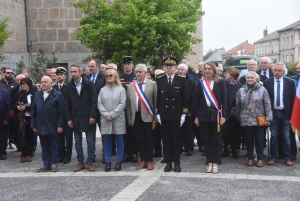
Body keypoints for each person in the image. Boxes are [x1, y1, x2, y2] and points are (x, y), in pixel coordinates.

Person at [156, 56, 188, 172]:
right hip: (164, 114)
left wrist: (184, 114)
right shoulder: (160, 79)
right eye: (166, 66)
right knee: (166, 140)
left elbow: (185, 97)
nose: (168, 68)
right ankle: (168, 162)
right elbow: (158, 98)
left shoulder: (181, 79)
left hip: (176, 115)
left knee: (176, 140)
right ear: (164, 67)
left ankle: (177, 163)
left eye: (171, 66)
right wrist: (157, 113)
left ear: (175, 67)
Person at [194, 62, 227, 174]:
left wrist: (225, 116)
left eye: (209, 69)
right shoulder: (200, 83)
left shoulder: (221, 82)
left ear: (214, 70)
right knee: (206, 140)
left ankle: (216, 162)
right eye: (206, 69)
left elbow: (225, 100)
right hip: (204, 116)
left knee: (217, 140)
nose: (207, 71)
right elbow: (197, 100)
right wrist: (196, 117)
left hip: (217, 116)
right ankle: (209, 162)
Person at [236, 71, 272, 167]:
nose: (250, 79)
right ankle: (250, 158)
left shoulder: (262, 90)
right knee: (249, 140)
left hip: (258, 119)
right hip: (246, 119)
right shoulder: (241, 90)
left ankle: (260, 158)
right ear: (246, 79)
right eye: (248, 78)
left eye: (252, 78)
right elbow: (238, 105)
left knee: (259, 140)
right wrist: (239, 117)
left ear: (256, 79)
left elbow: (267, 105)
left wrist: (268, 118)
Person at [65, 65, 97, 172]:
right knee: (78, 142)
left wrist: (93, 115)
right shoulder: (69, 86)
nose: (73, 74)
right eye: (71, 72)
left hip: (88, 117)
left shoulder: (88, 84)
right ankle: (80, 162)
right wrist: (69, 118)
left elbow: (94, 101)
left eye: (75, 71)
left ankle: (90, 162)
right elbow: (67, 104)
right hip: (75, 117)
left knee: (90, 141)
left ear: (80, 72)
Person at [263, 62, 296, 166]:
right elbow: (264, 100)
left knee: (286, 137)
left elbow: (293, 99)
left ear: (283, 71)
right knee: (274, 137)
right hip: (272, 113)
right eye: (275, 70)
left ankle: (287, 157)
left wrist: (291, 116)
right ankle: (273, 157)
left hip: (285, 114)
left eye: (279, 71)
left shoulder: (290, 82)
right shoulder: (267, 82)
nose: (276, 72)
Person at [126, 64, 157, 170]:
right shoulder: (131, 86)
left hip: (148, 115)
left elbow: (155, 101)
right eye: (137, 72)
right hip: (136, 116)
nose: (138, 74)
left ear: (145, 73)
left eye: (140, 72)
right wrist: (130, 118)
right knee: (140, 139)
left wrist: (155, 117)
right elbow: (128, 104)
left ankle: (149, 161)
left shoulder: (152, 84)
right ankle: (143, 160)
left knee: (149, 139)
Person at [31, 76, 65, 172]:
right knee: (44, 145)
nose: (43, 84)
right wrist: (33, 124)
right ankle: (46, 164)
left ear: (51, 83)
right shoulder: (37, 95)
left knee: (53, 145)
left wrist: (60, 125)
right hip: (41, 124)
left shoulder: (58, 95)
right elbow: (33, 110)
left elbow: (61, 112)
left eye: (45, 82)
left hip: (52, 125)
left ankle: (54, 163)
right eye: (42, 82)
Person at [98, 69, 126, 172]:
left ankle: (118, 162)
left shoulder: (121, 90)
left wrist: (113, 114)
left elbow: (122, 104)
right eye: (107, 76)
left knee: (119, 141)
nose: (108, 77)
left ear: (116, 77)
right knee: (107, 142)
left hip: (118, 119)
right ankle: (108, 162)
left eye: (111, 75)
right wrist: (106, 114)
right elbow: (99, 104)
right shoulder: (102, 90)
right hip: (106, 119)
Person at [11, 78, 37, 163]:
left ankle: (29, 153)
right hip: (21, 117)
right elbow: (12, 103)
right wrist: (17, 107)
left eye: (24, 84)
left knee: (30, 136)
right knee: (21, 136)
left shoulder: (33, 94)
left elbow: (35, 106)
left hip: (30, 117)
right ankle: (23, 154)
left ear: (29, 85)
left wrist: (26, 108)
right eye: (22, 84)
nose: (23, 86)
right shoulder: (19, 93)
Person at [86, 59, 106, 162]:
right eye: (89, 66)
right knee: (90, 135)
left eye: (92, 66)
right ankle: (91, 155)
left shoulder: (104, 77)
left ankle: (105, 154)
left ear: (98, 66)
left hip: (101, 110)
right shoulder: (86, 78)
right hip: (89, 111)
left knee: (104, 134)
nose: (90, 68)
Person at [120, 56, 138, 163]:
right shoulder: (120, 78)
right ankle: (127, 153)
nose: (127, 65)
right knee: (125, 132)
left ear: (132, 65)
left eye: (129, 63)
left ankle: (135, 152)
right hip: (123, 108)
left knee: (134, 132)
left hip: (133, 108)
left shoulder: (136, 77)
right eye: (125, 64)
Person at [53, 67, 73, 164]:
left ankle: (67, 156)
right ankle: (60, 155)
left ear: (65, 76)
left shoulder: (68, 87)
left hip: (67, 116)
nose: (59, 76)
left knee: (68, 137)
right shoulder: (53, 88)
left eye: (61, 74)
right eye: (58, 74)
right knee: (58, 137)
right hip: (57, 116)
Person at [222, 67, 243, 159]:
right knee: (224, 132)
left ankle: (235, 150)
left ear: (233, 75)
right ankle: (225, 150)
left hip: (234, 113)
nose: (226, 75)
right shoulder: (223, 84)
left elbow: (238, 99)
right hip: (225, 112)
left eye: (228, 73)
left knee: (234, 133)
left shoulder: (239, 86)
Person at [177, 63, 196, 156]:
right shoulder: (175, 79)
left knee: (187, 130)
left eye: (182, 69)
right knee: (178, 131)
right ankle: (179, 148)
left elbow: (194, 97)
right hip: (177, 109)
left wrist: (191, 111)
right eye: (179, 69)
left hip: (187, 109)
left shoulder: (191, 81)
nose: (180, 71)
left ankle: (189, 148)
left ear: (186, 70)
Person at [0, 68, 18, 149]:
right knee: (3, 128)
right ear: (3, 74)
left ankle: (13, 141)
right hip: (3, 110)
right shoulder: (0, 83)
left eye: (11, 73)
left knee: (13, 126)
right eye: (8, 73)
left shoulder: (15, 84)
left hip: (12, 108)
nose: (10, 74)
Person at [0, 88, 10, 160]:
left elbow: (8, 106)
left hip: (2, 119)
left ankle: (2, 152)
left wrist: (6, 118)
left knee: (3, 137)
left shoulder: (5, 92)